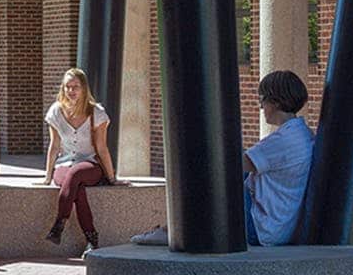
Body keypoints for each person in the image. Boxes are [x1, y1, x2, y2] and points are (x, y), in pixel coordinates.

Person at [131, 70, 313, 247]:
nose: (260, 107)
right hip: (281, 226)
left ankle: (173, 231)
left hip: (262, 229)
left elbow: (230, 165)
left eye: (262, 100)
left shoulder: (283, 141)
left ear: (276, 102)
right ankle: (172, 229)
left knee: (216, 174)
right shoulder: (300, 133)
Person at [41, 68, 124, 255]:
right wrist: (47, 177)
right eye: (67, 87)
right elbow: (54, 146)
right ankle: (92, 239)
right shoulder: (55, 111)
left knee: (76, 174)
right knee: (76, 186)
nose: (71, 91)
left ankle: (59, 223)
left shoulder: (97, 113)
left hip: (90, 164)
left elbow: (102, 148)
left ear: (84, 88)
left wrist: (112, 178)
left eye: (75, 87)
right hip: (64, 163)